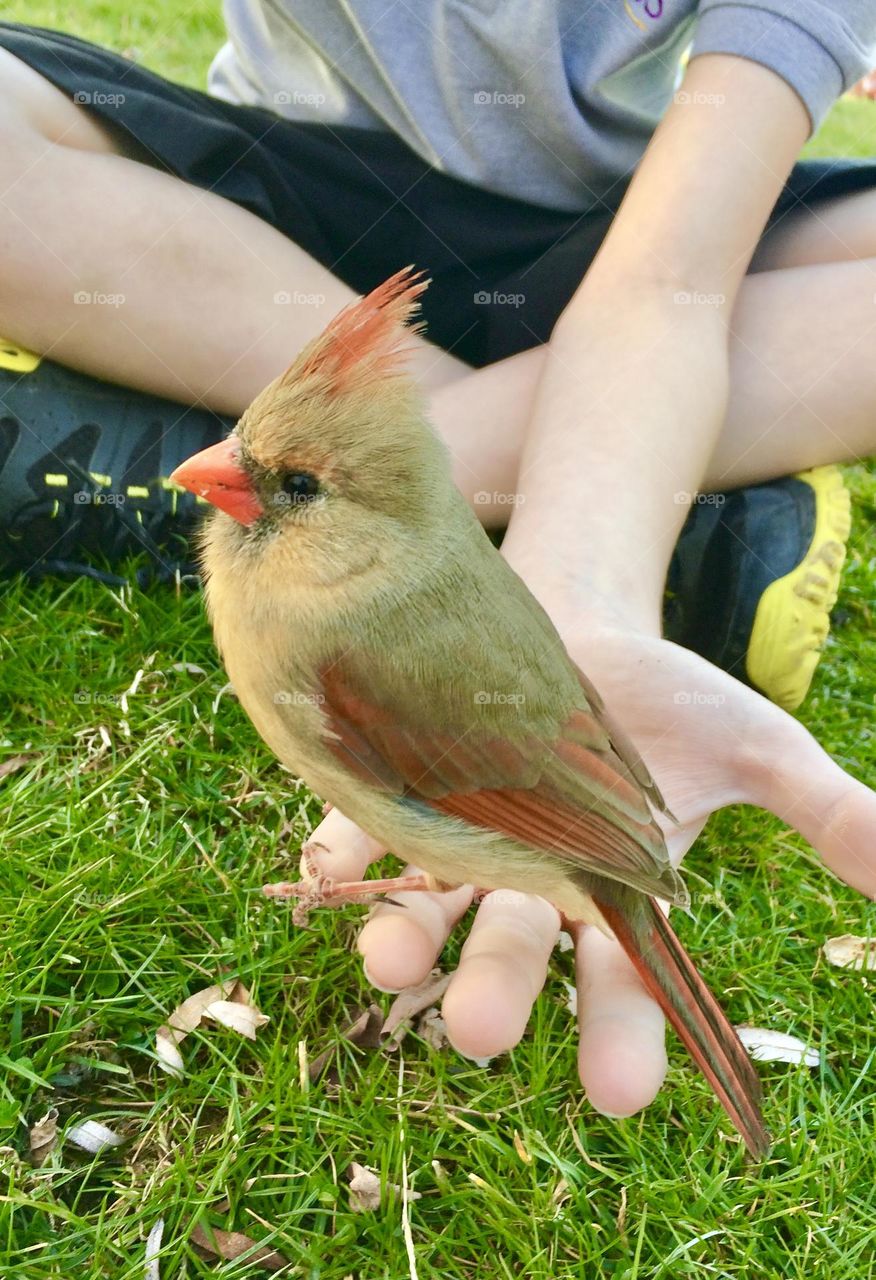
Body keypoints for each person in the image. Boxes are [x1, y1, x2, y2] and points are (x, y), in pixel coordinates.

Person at [2, 4, 876, 1122]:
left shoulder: (342, 651)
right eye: (246, 463)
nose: (230, 483)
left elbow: (664, 281)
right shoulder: (342, 603)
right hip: (280, 188)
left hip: (625, 228)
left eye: (292, 486)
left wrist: (585, 590)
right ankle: (625, 460)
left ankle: (533, 451)